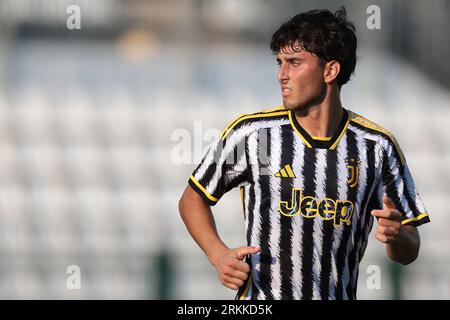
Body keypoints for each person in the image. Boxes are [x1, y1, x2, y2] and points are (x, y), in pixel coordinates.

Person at [178, 7, 430, 300]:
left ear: (330, 70)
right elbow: (191, 199)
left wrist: (398, 235)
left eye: (294, 63)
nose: (282, 75)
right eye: (279, 63)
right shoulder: (253, 134)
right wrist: (218, 254)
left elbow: (410, 247)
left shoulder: (377, 146)